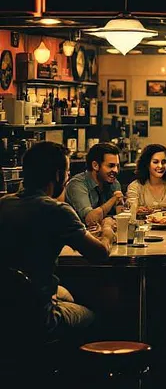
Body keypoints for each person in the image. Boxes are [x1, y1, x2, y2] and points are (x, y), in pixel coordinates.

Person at [0, 141, 114, 339]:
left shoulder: (3, 204)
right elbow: (99, 254)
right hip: (38, 315)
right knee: (97, 316)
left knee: (67, 294)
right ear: (58, 175)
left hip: (7, 307)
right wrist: (107, 231)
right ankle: (76, 366)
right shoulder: (57, 211)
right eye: (67, 172)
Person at [65, 142, 123, 226]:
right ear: (95, 165)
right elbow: (91, 219)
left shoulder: (114, 183)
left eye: (117, 166)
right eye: (111, 166)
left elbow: (120, 216)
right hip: (78, 236)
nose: (116, 170)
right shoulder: (77, 184)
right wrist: (114, 199)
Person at [125, 144, 166, 215]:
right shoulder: (135, 186)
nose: (160, 166)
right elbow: (132, 209)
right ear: (147, 164)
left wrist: (156, 206)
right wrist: (137, 210)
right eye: (155, 162)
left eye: (164, 162)